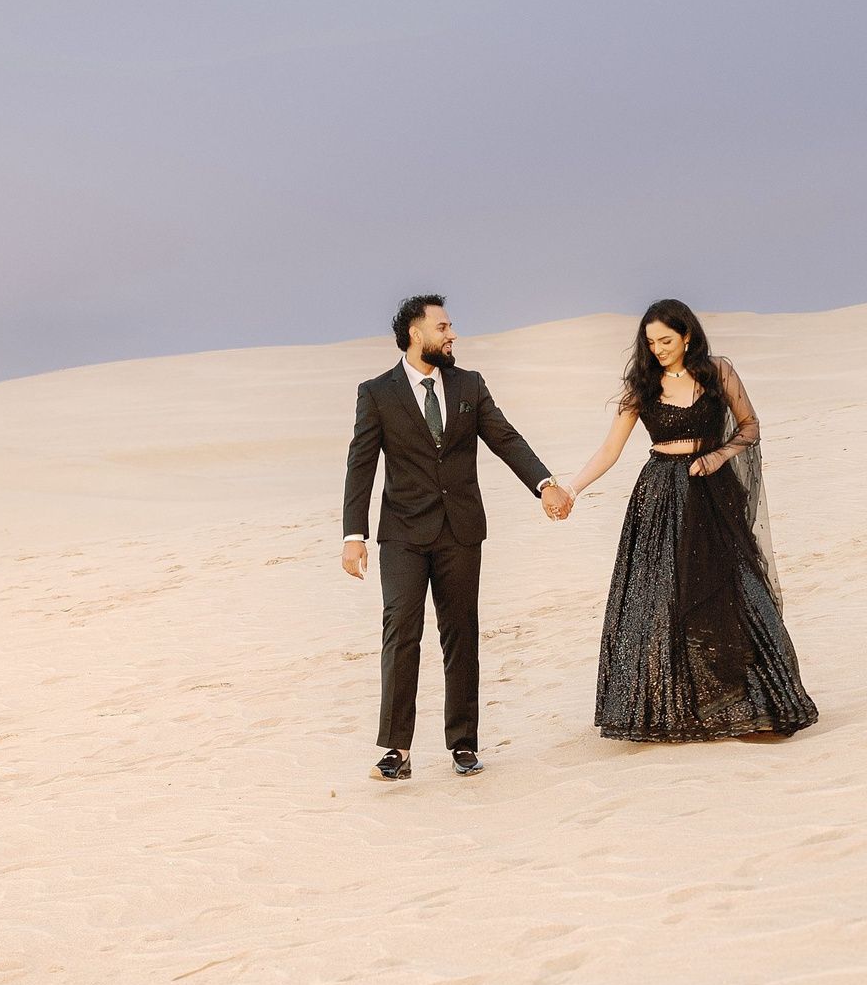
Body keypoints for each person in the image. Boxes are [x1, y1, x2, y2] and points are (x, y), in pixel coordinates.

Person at [552, 299, 817, 742]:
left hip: (713, 493)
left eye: (666, 340)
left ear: (687, 335)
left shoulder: (717, 372)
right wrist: (572, 490)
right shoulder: (642, 387)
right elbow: (609, 450)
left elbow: (749, 426)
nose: (657, 349)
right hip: (660, 497)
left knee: (738, 591)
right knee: (662, 601)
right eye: (651, 342)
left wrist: (716, 457)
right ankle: (679, 711)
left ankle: (759, 705)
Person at [341, 295, 572, 782]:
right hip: (401, 533)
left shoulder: (469, 384)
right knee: (401, 632)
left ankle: (463, 744)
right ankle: (396, 750)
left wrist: (545, 483)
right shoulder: (376, 392)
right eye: (443, 326)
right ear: (415, 333)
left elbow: (505, 437)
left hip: (461, 530)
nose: (452, 334)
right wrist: (353, 535)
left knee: (461, 636)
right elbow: (361, 464)